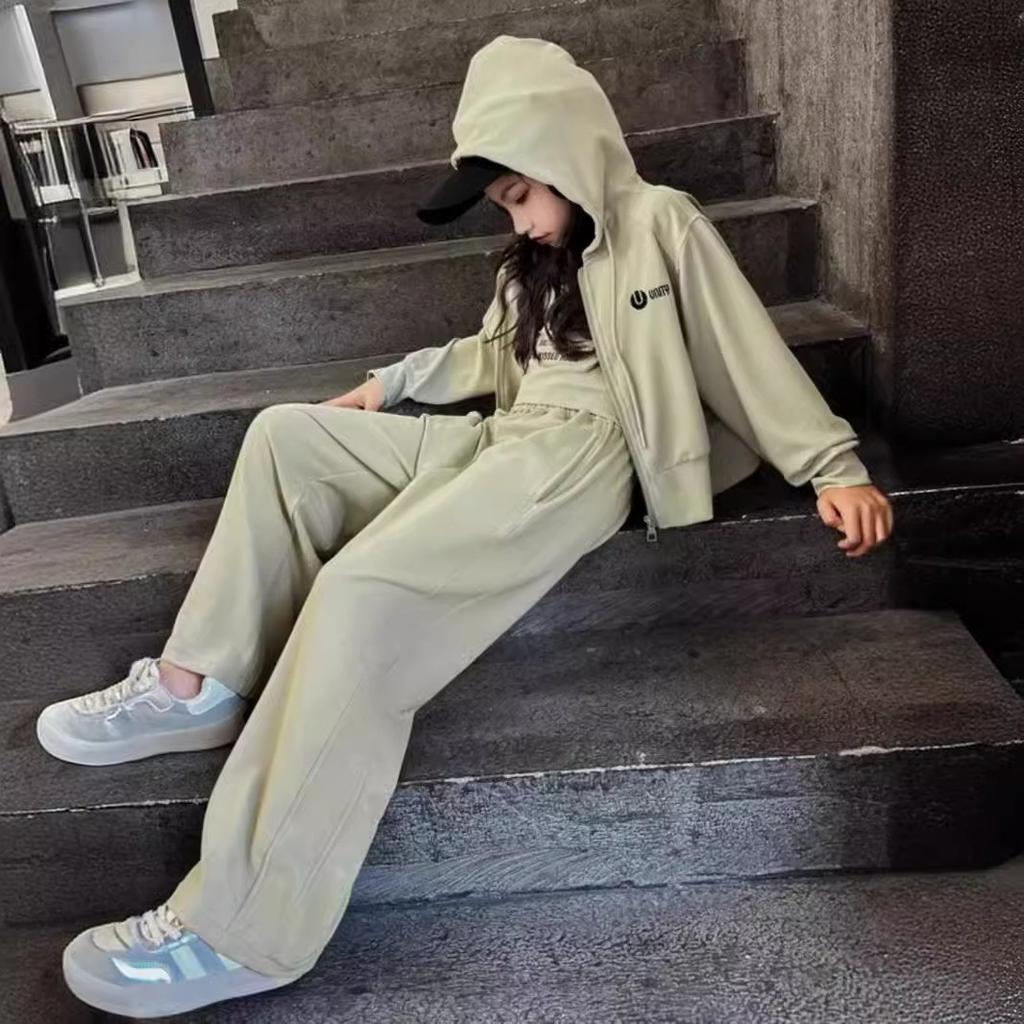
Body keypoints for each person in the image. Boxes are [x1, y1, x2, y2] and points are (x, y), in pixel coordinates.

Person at [35, 35, 893, 1018]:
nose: (518, 221)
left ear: (567, 150)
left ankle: (243, 927)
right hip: (504, 437)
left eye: (522, 195)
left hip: (582, 456)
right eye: (504, 206)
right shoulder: (528, 265)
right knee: (285, 436)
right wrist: (388, 385)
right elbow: (490, 357)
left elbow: (741, 347)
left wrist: (830, 465)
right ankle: (198, 683)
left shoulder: (661, 221)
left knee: (360, 595)